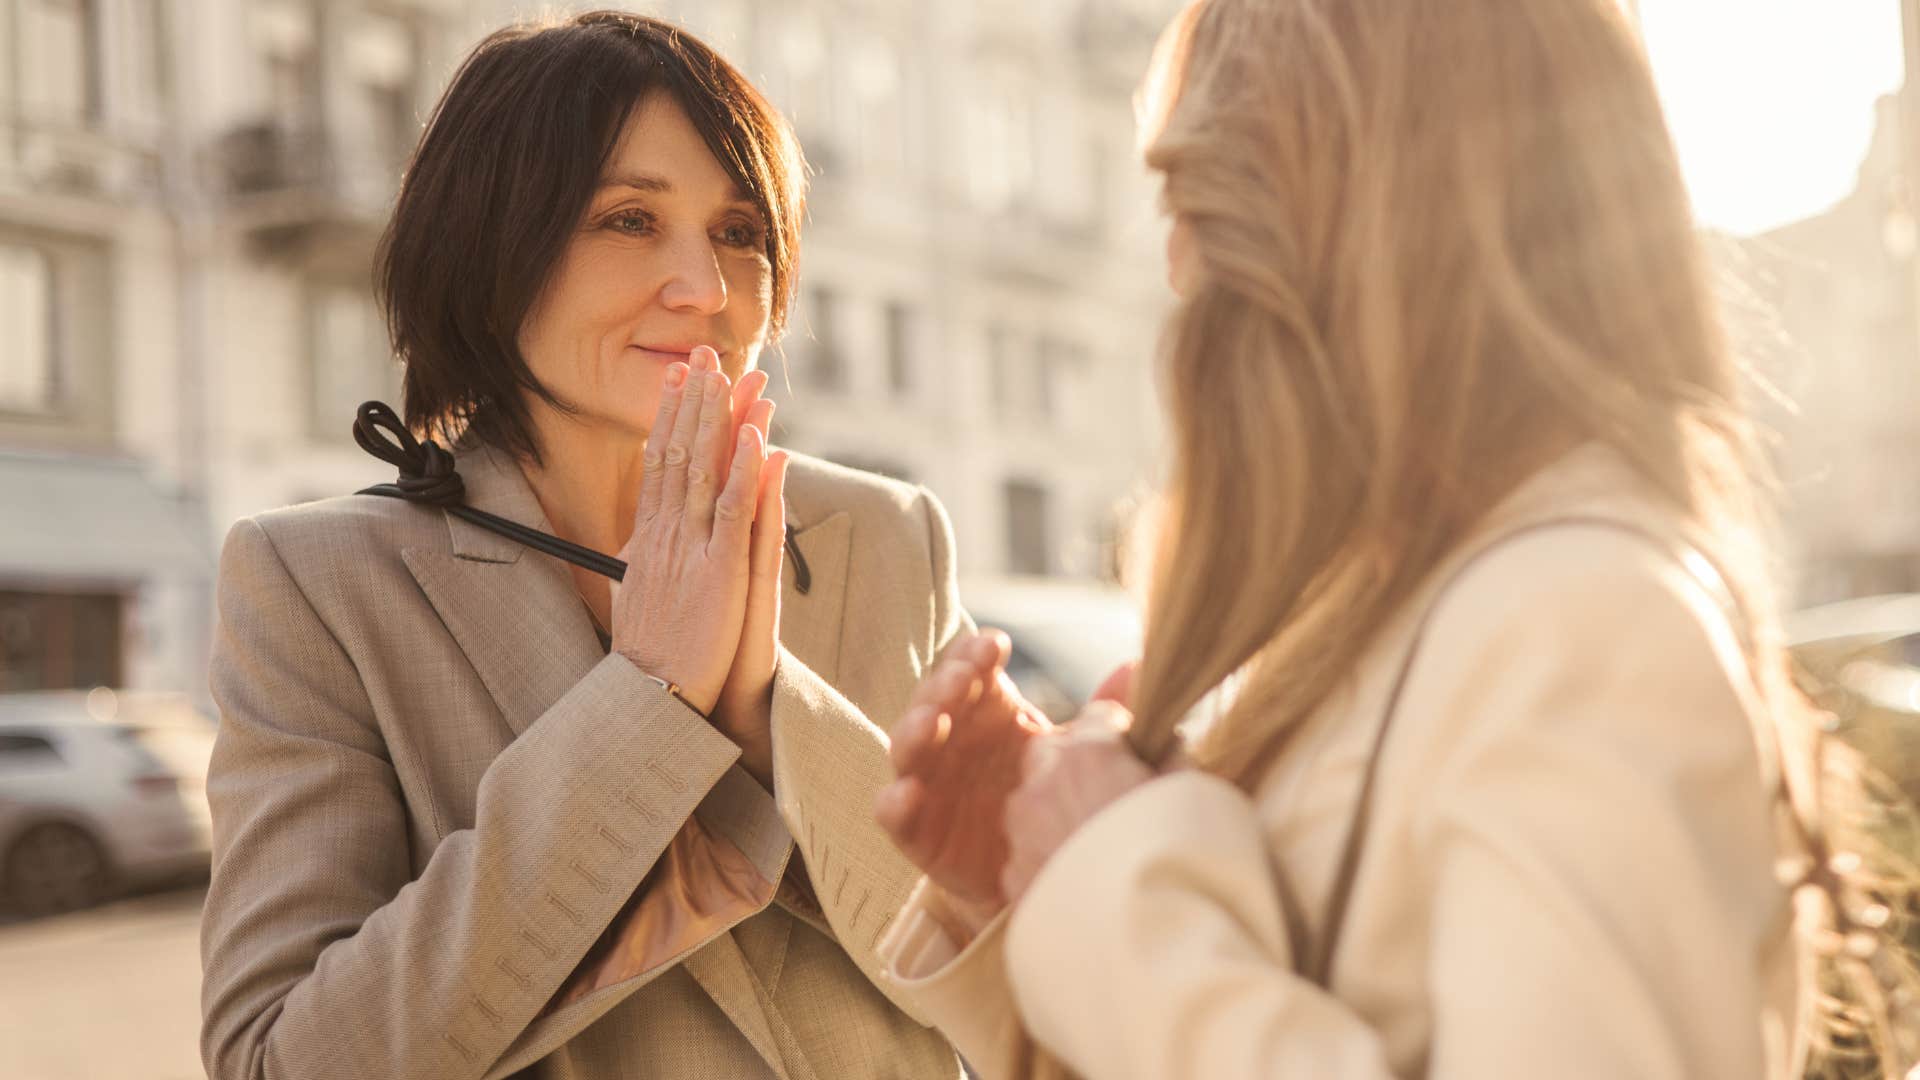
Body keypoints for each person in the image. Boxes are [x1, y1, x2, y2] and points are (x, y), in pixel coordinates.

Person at [872, 1, 1918, 1077]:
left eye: (1200, 198)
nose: (1179, 268)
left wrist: (1116, 885)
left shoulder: (1585, 620)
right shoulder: (1410, 609)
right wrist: (1033, 889)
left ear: (1358, 228)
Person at [200, 12, 966, 1080]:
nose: (705, 288)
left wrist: (770, 722)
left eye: (741, 231)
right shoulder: (319, 585)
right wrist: (646, 705)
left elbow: (1019, 979)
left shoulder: (886, 539)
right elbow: (281, 1062)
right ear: (490, 248)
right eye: (628, 220)